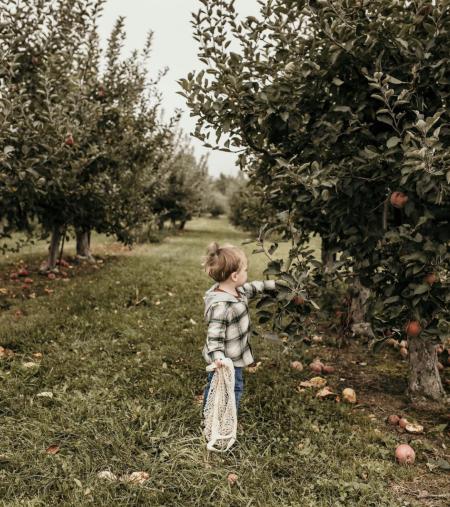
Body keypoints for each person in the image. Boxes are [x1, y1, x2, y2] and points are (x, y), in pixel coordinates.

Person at [201, 241, 277, 416]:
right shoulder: (222, 306)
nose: (247, 274)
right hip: (226, 362)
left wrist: (275, 285)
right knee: (230, 387)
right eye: (245, 270)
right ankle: (219, 418)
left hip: (235, 356)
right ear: (235, 276)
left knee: (226, 386)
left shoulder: (238, 291)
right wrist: (218, 359)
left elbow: (255, 287)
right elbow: (214, 337)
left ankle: (217, 414)